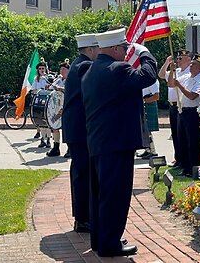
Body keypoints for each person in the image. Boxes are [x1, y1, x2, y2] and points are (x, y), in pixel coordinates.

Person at [81, 28, 158, 257]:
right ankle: (110, 244)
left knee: (100, 194)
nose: (126, 52)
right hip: (116, 143)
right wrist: (145, 53)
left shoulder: (91, 71)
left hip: (98, 142)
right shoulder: (117, 69)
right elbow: (148, 76)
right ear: (115, 48)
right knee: (115, 194)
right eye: (124, 48)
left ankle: (100, 238)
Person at [62, 33, 99, 234]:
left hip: (75, 128)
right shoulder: (85, 66)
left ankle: (82, 217)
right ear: (91, 49)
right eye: (98, 49)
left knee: (80, 172)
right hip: (81, 129)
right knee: (84, 173)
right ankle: (84, 219)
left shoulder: (77, 64)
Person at [167, 54, 200, 177]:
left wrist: (180, 86)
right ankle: (184, 166)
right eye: (191, 63)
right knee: (182, 139)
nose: (190, 66)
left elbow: (192, 96)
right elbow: (171, 84)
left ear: (199, 68)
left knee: (192, 140)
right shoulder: (186, 77)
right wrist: (172, 70)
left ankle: (192, 168)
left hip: (193, 112)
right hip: (182, 111)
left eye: (193, 64)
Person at [157, 49, 192, 168]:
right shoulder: (176, 71)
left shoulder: (188, 73)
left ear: (188, 59)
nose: (178, 60)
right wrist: (167, 63)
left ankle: (183, 160)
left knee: (181, 134)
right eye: (177, 58)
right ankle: (178, 158)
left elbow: (172, 84)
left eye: (181, 58)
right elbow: (161, 75)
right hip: (171, 105)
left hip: (180, 105)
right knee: (175, 134)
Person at [46, 60, 70, 157]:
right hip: (57, 107)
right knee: (54, 126)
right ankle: (56, 148)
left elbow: (70, 90)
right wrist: (50, 87)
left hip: (67, 107)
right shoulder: (58, 79)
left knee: (67, 128)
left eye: (64, 69)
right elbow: (52, 88)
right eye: (61, 69)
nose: (61, 71)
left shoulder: (71, 79)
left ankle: (70, 149)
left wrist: (60, 89)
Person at [31, 60, 51, 148]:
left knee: (48, 122)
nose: (42, 70)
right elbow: (33, 90)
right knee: (41, 121)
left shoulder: (49, 78)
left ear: (46, 69)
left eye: (43, 68)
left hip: (48, 102)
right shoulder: (36, 79)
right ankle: (43, 139)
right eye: (40, 69)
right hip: (40, 101)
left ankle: (49, 140)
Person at [138, 78, 160, 159]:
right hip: (145, 102)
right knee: (145, 129)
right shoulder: (147, 80)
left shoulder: (153, 81)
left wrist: (143, 101)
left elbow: (156, 96)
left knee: (148, 129)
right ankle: (148, 150)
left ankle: (153, 151)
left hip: (149, 103)